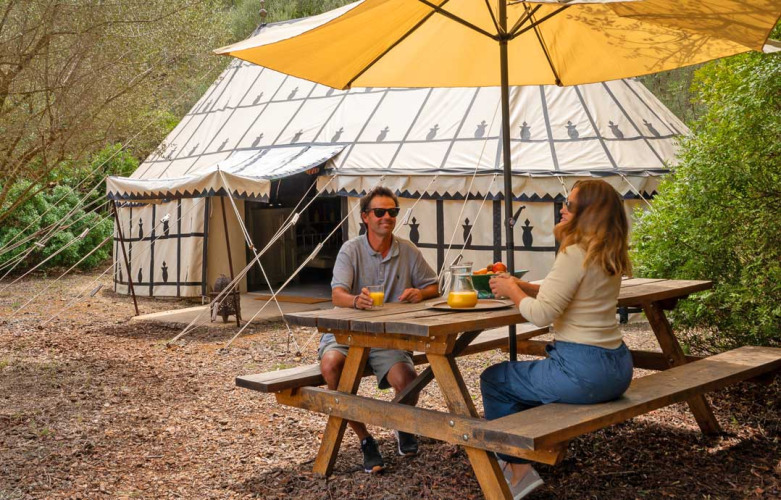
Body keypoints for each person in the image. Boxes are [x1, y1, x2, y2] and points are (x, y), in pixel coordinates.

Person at [481, 179, 634, 498]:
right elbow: (568, 293)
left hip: (583, 373)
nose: (562, 209)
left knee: (495, 380)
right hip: (618, 369)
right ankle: (531, 445)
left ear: (588, 212)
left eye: (570, 205)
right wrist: (520, 286)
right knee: (520, 382)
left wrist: (512, 292)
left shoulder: (575, 252)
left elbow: (541, 314)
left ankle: (518, 469)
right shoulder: (607, 251)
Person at [321, 186, 439, 473]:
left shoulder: (407, 250)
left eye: (392, 211)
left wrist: (420, 293)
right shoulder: (351, 249)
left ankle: (401, 424)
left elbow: (434, 286)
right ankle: (365, 439)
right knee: (331, 365)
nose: (387, 217)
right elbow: (337, 295)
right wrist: (355, 301)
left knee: (408, 379)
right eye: (379, 212)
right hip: (347, 332)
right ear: (365, 217)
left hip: (386, 337)